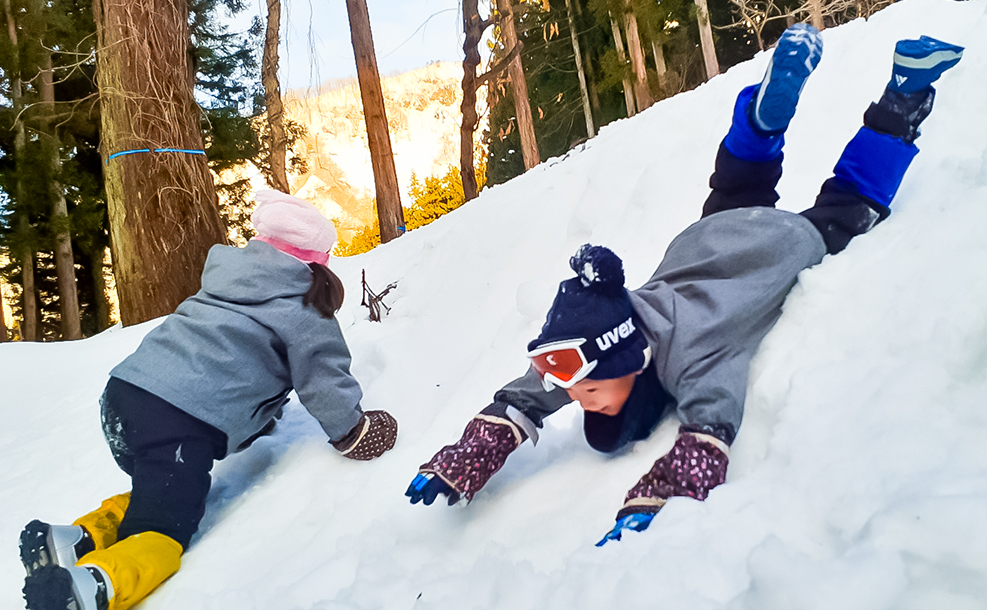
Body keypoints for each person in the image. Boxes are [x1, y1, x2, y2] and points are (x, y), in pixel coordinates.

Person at [406, 26, 963, 546]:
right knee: (739, 181)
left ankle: (904, 96)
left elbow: (709, 427)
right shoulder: (605, 328)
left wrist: (650, 502)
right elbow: (533, 390)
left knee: (854, 200)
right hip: (707, 238)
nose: (578, 397)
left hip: (782, 246)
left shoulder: (691, 358)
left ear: (632, 359)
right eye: (583, 394)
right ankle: (762, 123)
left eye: (590, 394)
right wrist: (468, 456)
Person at [20, 191, 398, 610]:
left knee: (163, 486)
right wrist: (354, 430)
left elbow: (223, 359)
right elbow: (322, 378)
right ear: (316, 261)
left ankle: (75, 540)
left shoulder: (226, 281)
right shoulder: (303, 304)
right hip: (176, 418)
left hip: (123, 396)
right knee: (163, 530)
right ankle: (93, 587)